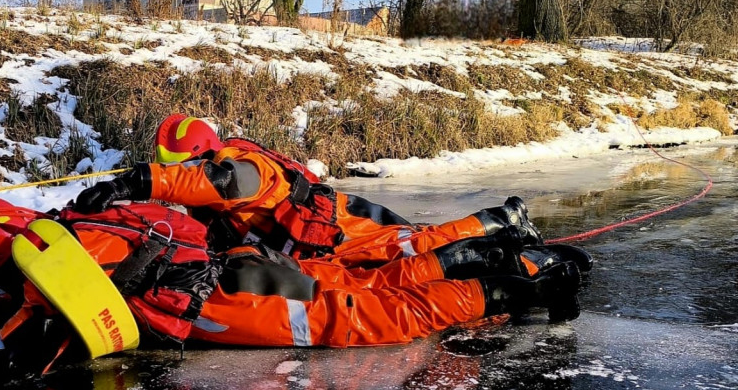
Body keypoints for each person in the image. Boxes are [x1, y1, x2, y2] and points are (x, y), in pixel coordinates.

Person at [0, 195, 591, 385]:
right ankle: (510, 260)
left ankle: (518, 283)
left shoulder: (53, 264)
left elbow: (14, 356)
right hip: (243, 270)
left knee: (378, 315)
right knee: (371, 281)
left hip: (237, 303)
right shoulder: (76, 230)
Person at [73, 114, 548, 274]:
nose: (180, 180)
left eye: (182, 168)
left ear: (201, 156)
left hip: (346, 224)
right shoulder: (213, 179)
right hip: (321, 238)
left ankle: (501, 220)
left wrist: (132, 181)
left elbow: (218, 185)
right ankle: (496, 228)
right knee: (411, 248)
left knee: (412, 247)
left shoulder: (240, 169)